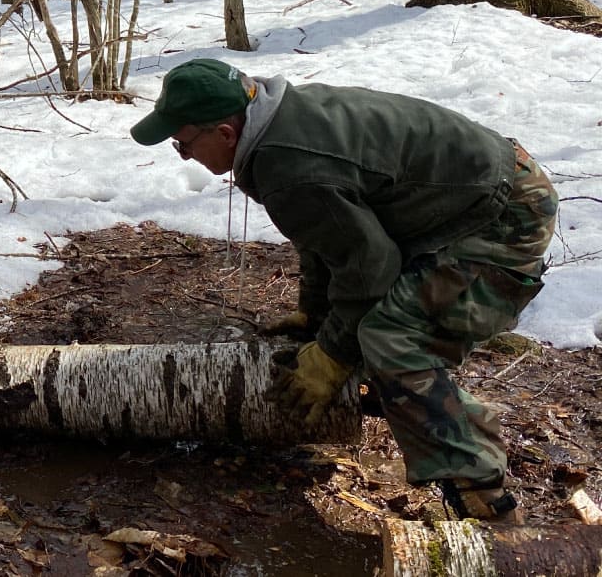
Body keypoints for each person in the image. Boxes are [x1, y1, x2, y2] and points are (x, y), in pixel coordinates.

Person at [130, 58, 558, 524]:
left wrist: (332, 354)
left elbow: (370, 267)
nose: (185, 154)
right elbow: (328, 237)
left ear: (226, 133)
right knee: (364, 326)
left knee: (391, 334)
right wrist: (314, 317)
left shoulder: (290, 164)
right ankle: (401, 396)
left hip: (502, 217)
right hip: (469, 195)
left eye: (184, 144)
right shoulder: (278, 127)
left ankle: (482, 494)